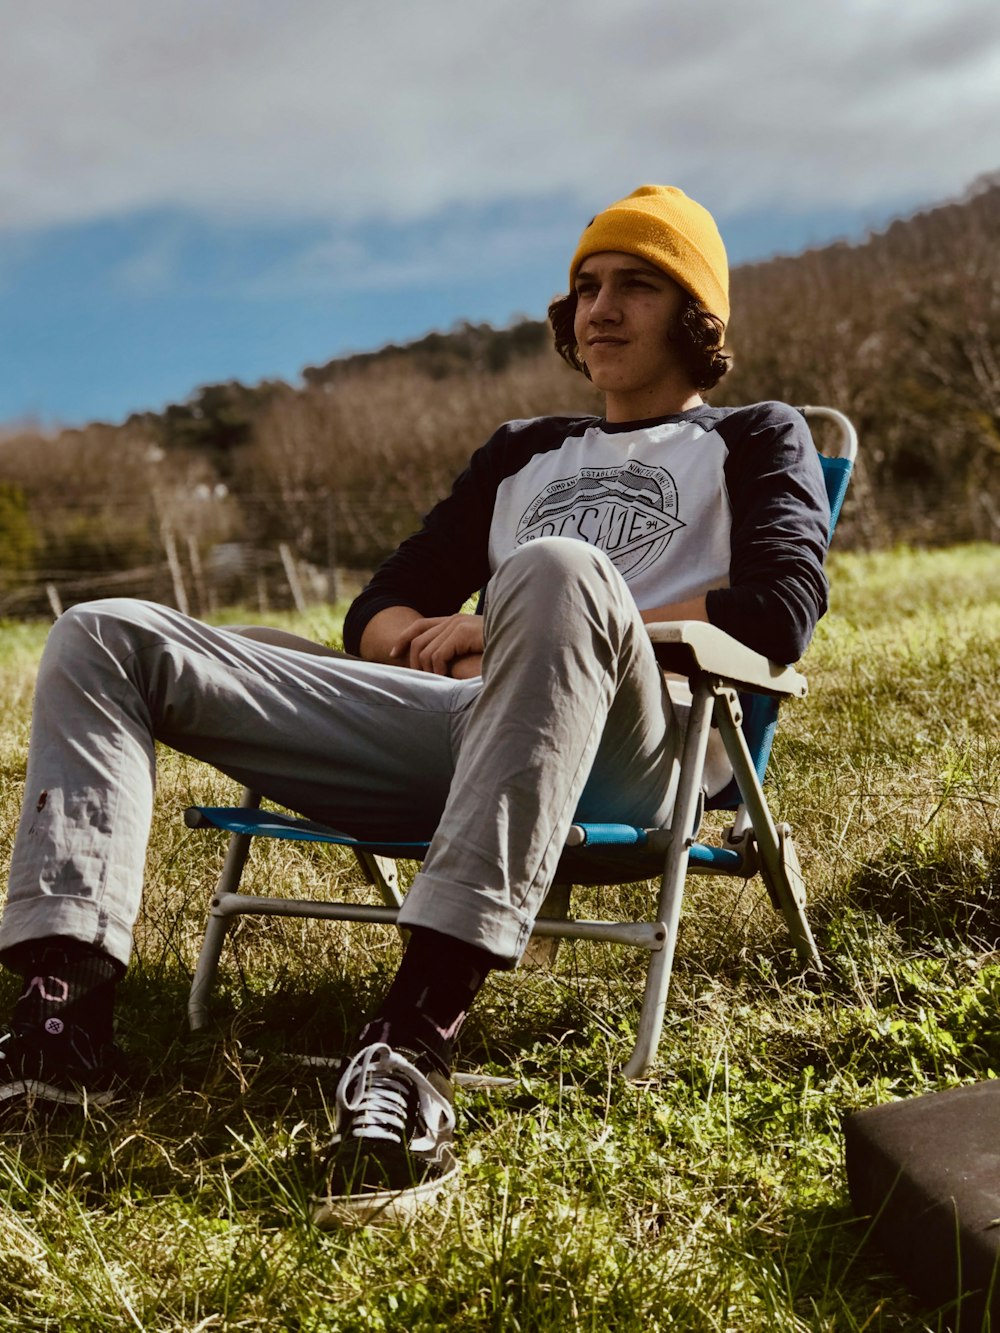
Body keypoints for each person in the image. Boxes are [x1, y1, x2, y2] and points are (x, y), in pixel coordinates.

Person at [0, 186, 830, 1224]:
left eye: (636, 285)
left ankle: (413, 1043)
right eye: (584, 287)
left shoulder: (756, 435)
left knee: (559, 572)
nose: (599, 309)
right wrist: (424, 641)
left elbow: (779, 609)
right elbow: (376, 609)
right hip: (457, 733)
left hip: (636, 742)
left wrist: (513, 621)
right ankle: (58, 1020)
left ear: (696, 314)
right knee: (104, 630)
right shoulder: (524, 451)